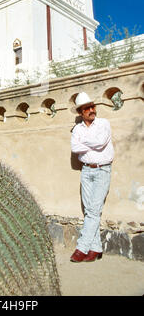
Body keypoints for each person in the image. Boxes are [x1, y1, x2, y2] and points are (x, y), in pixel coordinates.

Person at [70, 92, 114, 263]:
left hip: (102, 170)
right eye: (87, 108)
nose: (91, 110)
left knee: (94, 210)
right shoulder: (78, 129)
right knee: (90, 211)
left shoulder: (104, 123)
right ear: (81, 112)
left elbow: (101, 142)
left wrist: (84, 141)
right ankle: (96, 248)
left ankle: (82, 247)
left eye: (93, 106)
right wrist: (89, 141)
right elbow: (75, 147)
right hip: (86, 171)